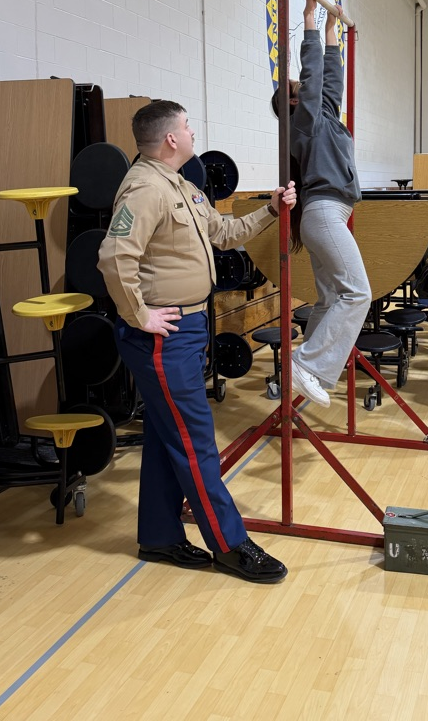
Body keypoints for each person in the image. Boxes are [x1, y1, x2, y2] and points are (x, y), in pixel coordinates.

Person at [97, 100, 296, 584]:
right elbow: (114, 255)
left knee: (171, 439)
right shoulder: (145, 188)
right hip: (163, 336)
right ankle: (230, 544)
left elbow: (225, 234)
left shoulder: (180, 186)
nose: (191, 132)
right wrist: (139, 314)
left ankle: (160, 537)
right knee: (194, 441)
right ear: (170, 139)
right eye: (186, 126)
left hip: (185, 330)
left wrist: (270, 209)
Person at [271, 0, 371, 408]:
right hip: (326, 213)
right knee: (357, 294)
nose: (304, 92)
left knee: (331, 298)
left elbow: (329, 80)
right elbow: (313, 79)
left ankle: (303, 372)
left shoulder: (322, 116)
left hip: (327, 214)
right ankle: (307, 364)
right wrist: (310, 19)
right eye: (297, 93)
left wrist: (333, 31)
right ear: (292, 107)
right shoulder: (303, 125)